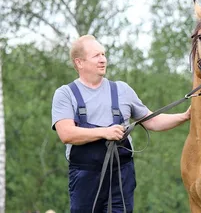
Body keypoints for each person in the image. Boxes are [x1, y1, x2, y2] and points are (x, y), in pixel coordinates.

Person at [51, 35, 190, 213]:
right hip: (85, 177)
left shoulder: (122, 90)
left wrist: (185, 116)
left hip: (121, 175)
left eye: (103, 54)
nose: (103, 59)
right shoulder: (65, 94)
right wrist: (105, 132)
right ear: (79, 63)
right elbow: (66, 134)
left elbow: (152, 121)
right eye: (96, 56)